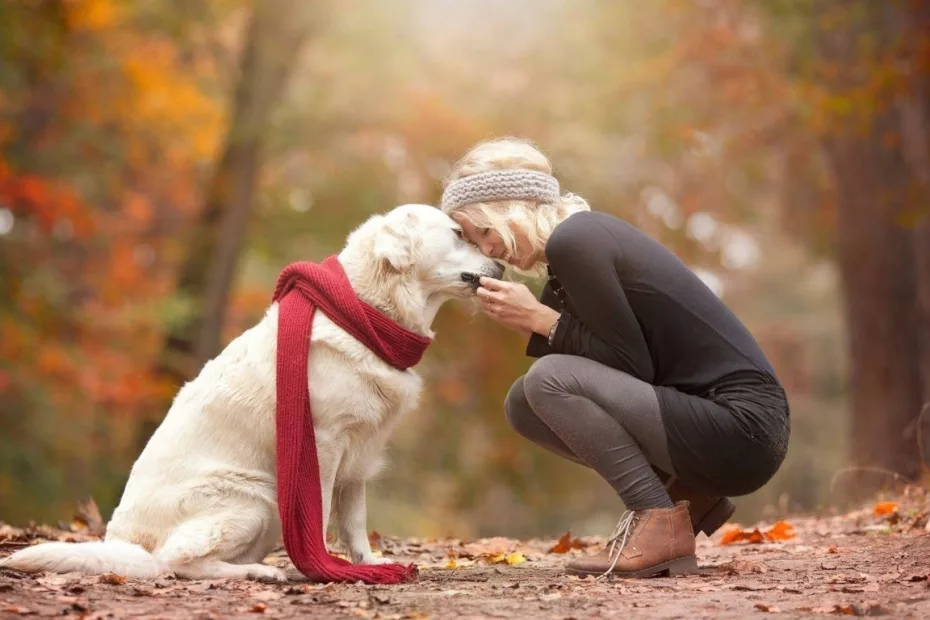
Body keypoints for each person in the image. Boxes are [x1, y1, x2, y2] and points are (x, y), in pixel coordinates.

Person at [438, 137, 790, 578]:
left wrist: (541, 319)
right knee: (523, 403)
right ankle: (684, 496)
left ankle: (657, 517)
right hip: (720, 426)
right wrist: (540, 319)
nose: (488, 251)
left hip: (742, 428)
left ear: (510, 209)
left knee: (547, 379)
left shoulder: (577, 240)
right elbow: (623, 366)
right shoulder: (571, 252)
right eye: (475, 242)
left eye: (484, 232)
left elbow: (630, 366)